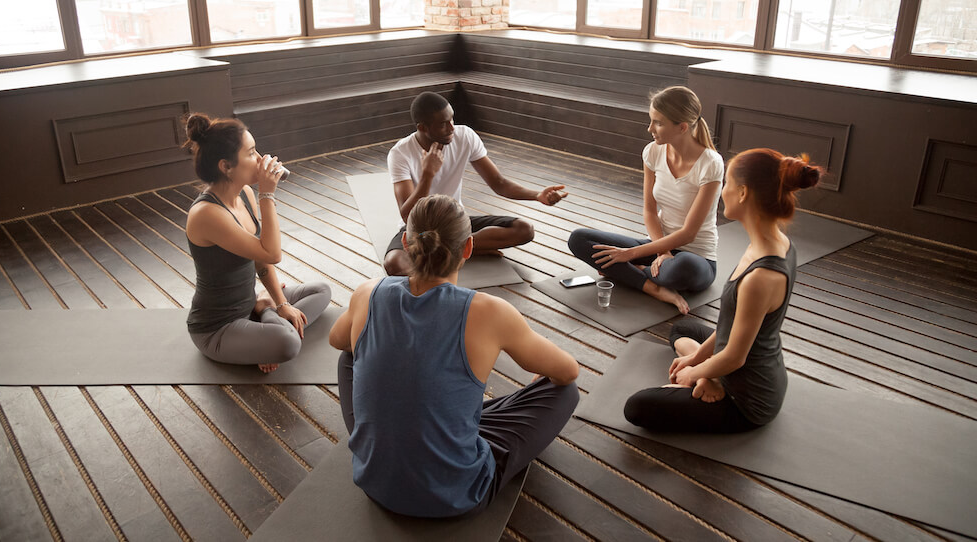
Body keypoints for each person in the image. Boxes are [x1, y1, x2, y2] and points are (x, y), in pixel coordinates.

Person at [329, 194, 580, 518]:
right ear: (468, 249)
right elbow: (568, 372)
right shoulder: (490, 311)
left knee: (351, 351)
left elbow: (338, 340)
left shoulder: (368, 292)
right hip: (457, 496)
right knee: (565, 391)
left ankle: (398, 433)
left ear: (406, 243)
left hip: (374, 481)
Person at [623, 148, 822, 433]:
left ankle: (713, 382)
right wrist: (695, 359)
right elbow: (732, 323)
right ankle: (711, 378)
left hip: (747, 399)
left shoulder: (761, 276)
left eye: (727, 184)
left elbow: (734, 358)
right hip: (751, 362)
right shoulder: (773, 243)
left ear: (742, 193)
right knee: (684, 330)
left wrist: (692, 373)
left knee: (637, 407)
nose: (723, 191)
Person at [183, 113, 332, 374]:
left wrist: (282, 303)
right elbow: (272, 252)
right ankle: (266, 317)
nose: (261, 159)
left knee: (321, 291)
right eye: (251, 153)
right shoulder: (207, 214)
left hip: (248, 303)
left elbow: (262, 261)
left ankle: (267, 317)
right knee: (288, 344)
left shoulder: (245, 193)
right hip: (218, 327)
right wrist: (268, 194)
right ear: (226, 166)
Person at [568, 86, 724, 314]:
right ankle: (653, 287)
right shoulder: (652, 152)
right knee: (579, 239)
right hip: (659, 247)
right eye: (651, 120)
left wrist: (629, 256)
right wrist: (662, 252)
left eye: (658, 123)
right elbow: (650, 211)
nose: (650, 128)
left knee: (682, 268)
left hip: (696, 257)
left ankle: (628, 270)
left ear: (682, 127)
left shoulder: (710, 163)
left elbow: (689, 233)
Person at [383, 91, 569, 276]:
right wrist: (427, 175)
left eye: (452, 120)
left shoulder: (465, 136)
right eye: (443, 124)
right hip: (420, 229)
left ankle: (449, 252)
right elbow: (408, 216)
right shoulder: (400, 154)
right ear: (423, 128)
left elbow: (499, 183)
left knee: (524, 230)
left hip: (455, 221)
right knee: (394, 264)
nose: (451, 128)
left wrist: (537, 195)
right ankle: (462, 251)